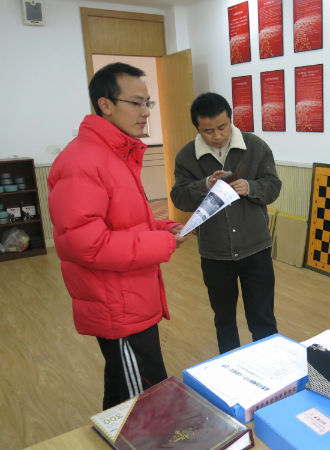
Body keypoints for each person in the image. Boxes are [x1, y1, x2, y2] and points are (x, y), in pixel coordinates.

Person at [48, 62, 188, 410]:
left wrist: (164, 228)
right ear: (105, 105)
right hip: (117, 306)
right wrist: (162, 244)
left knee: (125, 390)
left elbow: (124, 223)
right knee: (146, 401)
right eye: (136, 103)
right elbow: (87, 244)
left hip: (131, 297)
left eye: (147, 103)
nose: (146, 112)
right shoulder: (82, 161)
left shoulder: (116, 154)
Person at [170, 92, 282, 354]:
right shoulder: (187, 156)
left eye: (222, 127)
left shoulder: (255, 146)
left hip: (256, 248)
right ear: (197, 128)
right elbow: (179, 198)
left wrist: (250, 187)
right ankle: (229, 369)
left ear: (231, 120)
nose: (217, 135)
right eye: (208, 131)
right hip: (215, 253)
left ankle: (272, 365)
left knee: (263, 318)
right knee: (224, 320)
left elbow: (273, 187)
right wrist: (204, 185)